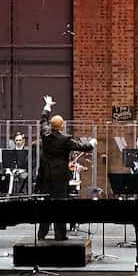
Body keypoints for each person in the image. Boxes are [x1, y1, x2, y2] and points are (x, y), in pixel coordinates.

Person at [35, 94, 97, 241]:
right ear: (62, 126)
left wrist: (48, 106)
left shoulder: (45, 134)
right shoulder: (65, 140)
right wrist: (93, 142)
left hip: (45, 176)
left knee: (46, 206)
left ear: (51, 125)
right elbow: (83, 147)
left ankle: (42, 233)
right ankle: (60, 235)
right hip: (59, 178)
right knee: (60, 207)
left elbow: (42, 120)